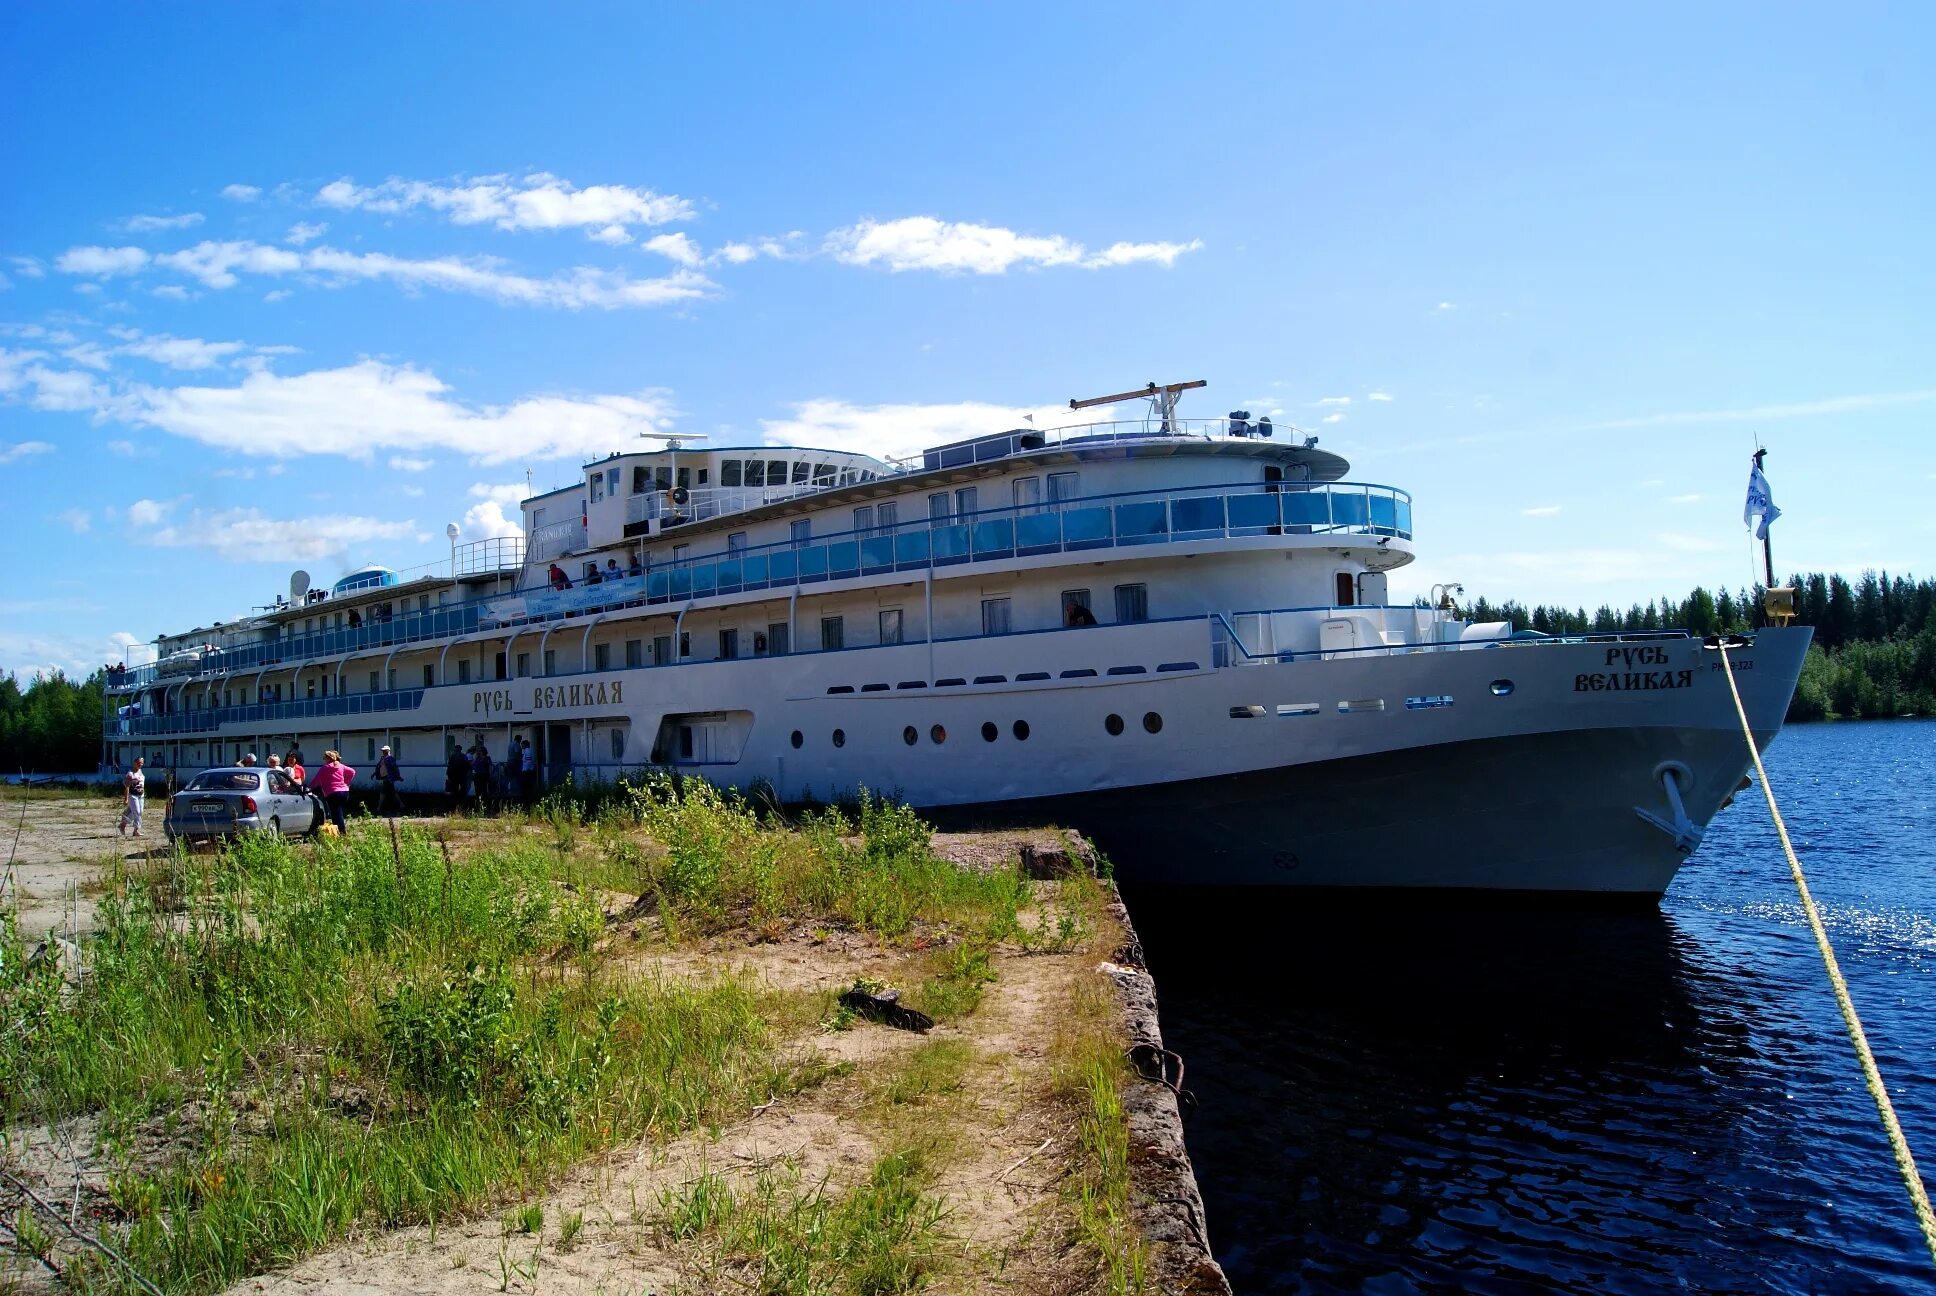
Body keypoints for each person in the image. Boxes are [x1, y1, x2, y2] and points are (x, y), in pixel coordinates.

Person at [311, 750, 356, 835]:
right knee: (339, 811)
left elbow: (316, 780)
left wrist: (308, 788)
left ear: (328, 758)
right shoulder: (341, 766)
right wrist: (346, 782)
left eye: (325, 758)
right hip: (344, 791)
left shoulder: (325, 768)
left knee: (336, 813)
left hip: (332, 792)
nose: (324, 760)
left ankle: (341, 832)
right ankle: (338, 831)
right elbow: (352, 771)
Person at [118, 756, 146, 837]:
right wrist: (126, 798)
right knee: (136, 812)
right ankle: (126, 825)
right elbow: (127, 786)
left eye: (141, 763)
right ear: (134, 763)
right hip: (133, 795)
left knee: (139, 812)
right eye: (138, 763)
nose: (140, 764)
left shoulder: (140, 771)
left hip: (141, 795)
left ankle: (132, 829)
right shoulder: (130, 774)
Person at [374, 744, 402, 816]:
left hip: (388, 778)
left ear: (388, 751)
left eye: (385, 750)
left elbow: (395, 767)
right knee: (391, 792)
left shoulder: (390, 758)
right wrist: (374, 774)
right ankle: (400, 805)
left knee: (384, 792)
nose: (383, 752)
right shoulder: (382, 758)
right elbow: (379, 767)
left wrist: (398, 776)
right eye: (383, 751)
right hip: (384, 778)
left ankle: (380, 807)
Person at [445, 743, 472, 811]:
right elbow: (468, 766)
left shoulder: (452, 756)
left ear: (455, 749)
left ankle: (453, 804)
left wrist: (449, 775)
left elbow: (449, 767)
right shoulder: (463, 756)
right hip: (462, 776)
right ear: (460, 749)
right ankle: (462, 803)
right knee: (463, 789)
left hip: (453, 776)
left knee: (454, 790)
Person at [470, 741, 494, 814]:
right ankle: (478, 806)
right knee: (478, 792)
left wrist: (490, 775)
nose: (479, 752)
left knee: (484, 791)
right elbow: (472, 765)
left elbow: (490, 767)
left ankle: (485, 806)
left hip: (484, 775)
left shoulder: (486, 758)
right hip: (477, 775)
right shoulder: (477, 758)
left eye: (480, 751)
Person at [520, 737, 538, 808]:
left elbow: (528, 761)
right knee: (528, 787)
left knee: (526, 787)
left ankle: (527, 801)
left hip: (527, 772)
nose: (521, 746)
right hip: (528, 771)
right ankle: (529, 801)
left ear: (525, 745)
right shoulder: (528, 751)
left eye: (522, 745)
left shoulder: (527, 751)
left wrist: (526, 769)